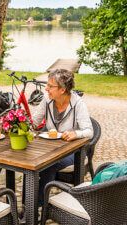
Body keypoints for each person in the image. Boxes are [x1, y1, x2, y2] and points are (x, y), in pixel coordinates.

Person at [32, 69, 93, 206]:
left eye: (50, 86)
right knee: (29, 162)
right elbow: (34, 122)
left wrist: (76, 134)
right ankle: (27, 205)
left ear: (62, 90)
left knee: (48, 164)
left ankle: (39, 205)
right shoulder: (47, 100)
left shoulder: (78, 104)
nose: (46, 89)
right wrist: (18, 124)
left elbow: (89, 131)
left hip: (74, 152)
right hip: (51, 148)